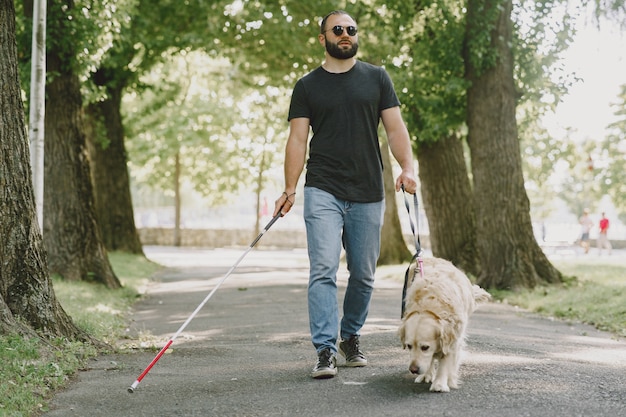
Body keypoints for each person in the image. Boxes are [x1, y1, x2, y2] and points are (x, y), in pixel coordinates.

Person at [273, 10, 417, 379]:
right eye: (337, 30)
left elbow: (395, 128)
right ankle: (324, 349)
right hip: (323, 186)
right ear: (323, 38)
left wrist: (408, 167)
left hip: (369, 188)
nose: (345, 34)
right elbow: (297, 139)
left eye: (351, 29)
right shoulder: (307, 86)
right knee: (323, 269)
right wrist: (289, 188)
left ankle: (350, 336)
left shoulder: (377, 77)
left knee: (363, 274)